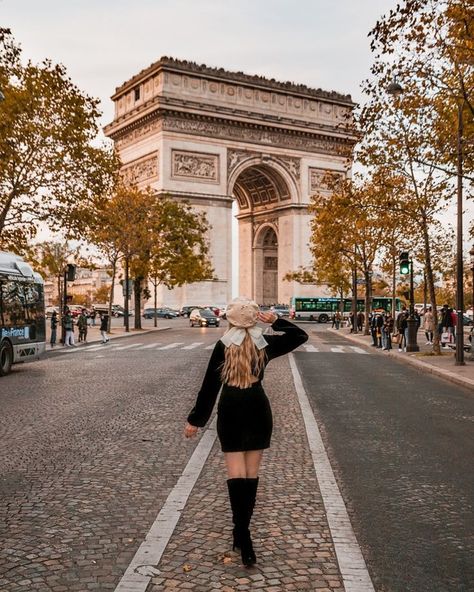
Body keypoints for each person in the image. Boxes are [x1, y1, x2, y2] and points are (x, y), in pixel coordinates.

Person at [184, 298, 308, 567]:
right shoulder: (265, 345)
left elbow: (209, 387)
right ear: (254, 319)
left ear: (230, 320)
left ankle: (241, 533)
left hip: (230, 409)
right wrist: (275, 321)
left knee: (236, 476)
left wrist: (196, 420)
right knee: (251, 478)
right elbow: (300, 335)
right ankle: (244, 534)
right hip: (257, 409)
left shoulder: (222, 346)